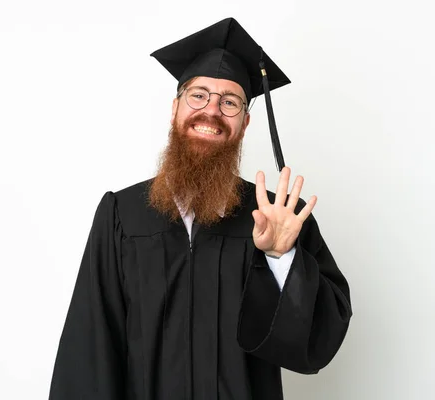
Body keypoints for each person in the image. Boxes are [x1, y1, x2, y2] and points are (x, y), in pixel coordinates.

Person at [49, 17, 352, 400]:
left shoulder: (277, 217)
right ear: (175, 108)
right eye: (198, 95)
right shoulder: (121, 215)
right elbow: (89, 344)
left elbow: (320, 338)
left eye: (229, 102)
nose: (211, 111)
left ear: (244, 122)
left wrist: (281, 257)